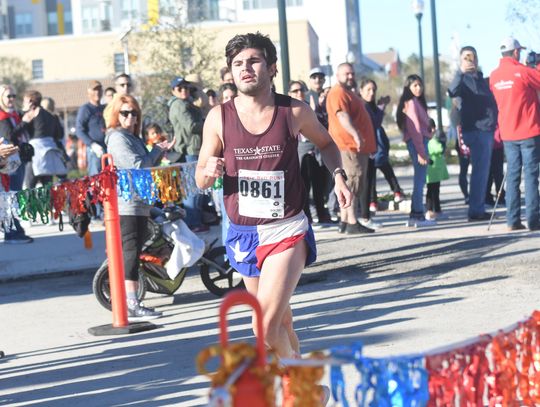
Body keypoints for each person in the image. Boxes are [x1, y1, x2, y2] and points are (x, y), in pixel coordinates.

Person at [195, 32, 350, 405]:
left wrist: (339, 176)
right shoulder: (219, 117)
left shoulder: (293, 111)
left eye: (253, 61)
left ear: (271, 67)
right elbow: (201, 178)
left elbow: (327, 144)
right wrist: (209, 170)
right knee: (281, 324)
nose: (245, 69)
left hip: (286, 229)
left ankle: (305, 392)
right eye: (237, 64)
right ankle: (307, 389)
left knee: (263, 324)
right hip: (243, 233)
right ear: (230, 73)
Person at [105, 95, 175, 321]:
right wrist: (157, 150)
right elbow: (138, 166)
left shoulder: (131, 137)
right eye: (125, 113)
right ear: (116, 114)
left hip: (138, 202)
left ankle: (132, 299)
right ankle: (131, 303)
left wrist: (157, 151)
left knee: (134, 252)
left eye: (133, 113)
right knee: (130, 253)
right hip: (127, 204)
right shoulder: (117, 138)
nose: (130, 117)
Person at [490, 37, 540, 231]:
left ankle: (512, 220)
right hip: (528, 131)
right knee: (530, 175)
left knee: (512, 176)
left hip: (508, 132)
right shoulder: (523, 72)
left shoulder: (494, 76)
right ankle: (534, 221)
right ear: (516, 52)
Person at [448, 46, 498, 221]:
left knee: (482, 172)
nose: (471, 60)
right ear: (461, 61)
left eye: (473, 57)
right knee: (479, 172)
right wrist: (460, 72)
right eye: (466, 57)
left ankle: (477, 207)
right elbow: (452, 91)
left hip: (486, 129)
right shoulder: (462, 80)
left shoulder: (481, 79)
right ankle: (476, 211)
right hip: (476, 130)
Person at [326, 62, 376, 235]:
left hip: (356, 147)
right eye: (346, 73)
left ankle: (346, 221)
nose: (350, 76)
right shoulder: (338, 92)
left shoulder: (348, 92)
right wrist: (355, 135)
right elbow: (342, 115)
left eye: (352, 73)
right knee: (353, 182)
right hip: (348, 145)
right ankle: (352, 221)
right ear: (337, 75)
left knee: (353, 183)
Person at [359, 78, 404, 228]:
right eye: (368, 90)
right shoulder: (362, 106)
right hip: (363, 151)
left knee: (370, 180)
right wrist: (381, 106)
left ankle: (367, 214)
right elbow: (373, 123)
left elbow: (376, 122)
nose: (371, 93)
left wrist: (380, 106)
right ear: (361, 91)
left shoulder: (371, 107)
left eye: (373, 90)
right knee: (366, 183)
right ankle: (364, 216)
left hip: (372, 150)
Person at [288, 80, 331, 225]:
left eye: (301, 90)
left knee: (319, 184)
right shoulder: (287, 109)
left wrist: (317, 110)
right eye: (295, 91)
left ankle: (323, 215)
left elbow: (323, 126)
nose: (299, 93)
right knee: (303, 185)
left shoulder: (310, 107)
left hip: (315, 147)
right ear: (289, 93)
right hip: (299, 149)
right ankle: (307, 217)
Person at [168, 76, 207, 231]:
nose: (184, 90)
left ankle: (196, 221)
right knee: (193, 187)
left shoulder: (185, 103)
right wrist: (210, 123)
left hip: (193, 148)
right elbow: (190, 126)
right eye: (180, 88)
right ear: (173, 91)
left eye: (186, 87)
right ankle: (193, 223)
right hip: (190, 149)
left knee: (195, 187)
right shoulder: (179, 105)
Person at [396, 74, 436, 227]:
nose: (418, 88)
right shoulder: (411, 103)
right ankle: (418, 215)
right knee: (419, 181)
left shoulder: (417, 102)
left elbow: (423, 129)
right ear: (408, 87)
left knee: (419, 180)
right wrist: (421, 152)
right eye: (415, 85)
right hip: (417, 144)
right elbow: (415, 130)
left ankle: (415, 214)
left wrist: (430, 132)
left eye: (420, 85)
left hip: (419, 142)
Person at [0, 85, 33, 243]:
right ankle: (11, 233)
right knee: (10, 196)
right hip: (9, 163)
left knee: (14, 195)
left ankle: (16, 230)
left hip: (17, 161)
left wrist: (25, 115)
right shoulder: (2, 116)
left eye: (14, 96)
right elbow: (9, 136)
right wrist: (24, 122)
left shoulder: (13, 114)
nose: (12, 99)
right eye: (8, 96)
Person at [22, 90, 66, 189]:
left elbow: (19, 131)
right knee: (47, 187)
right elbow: (59, 135)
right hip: (47, 155)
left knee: (29, 187)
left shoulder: (32, 114)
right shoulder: (52, 117)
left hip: (35, 154)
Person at [75, 80, 106, 177]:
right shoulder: (86, 109)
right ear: (89, 92)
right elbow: (79, 130)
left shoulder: (104, 108)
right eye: (94, 90)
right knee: (96, 177)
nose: (97, 92)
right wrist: (92, 144)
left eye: (99, 90)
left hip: (107, 147)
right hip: (95, 150)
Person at [425, 118, 449, 220]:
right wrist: (443, 143)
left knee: (431, 191)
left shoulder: (426, 139)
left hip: (431, 172)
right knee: (434, 192)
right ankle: (435, 210)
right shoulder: (433, 140)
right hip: (434, 171)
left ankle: (431, 210)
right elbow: (439, 149)